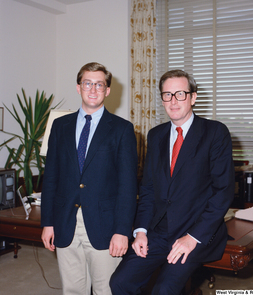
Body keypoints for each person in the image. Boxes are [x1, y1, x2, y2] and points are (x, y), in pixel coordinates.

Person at [110, 69, 235, 294]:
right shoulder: (156, 135)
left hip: (194, 231)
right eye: (167, 95)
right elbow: (148, 189)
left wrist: (193, 238)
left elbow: (223, 191)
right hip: (158, 232)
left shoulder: (215, 133)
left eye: (180, 94)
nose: (173, 101)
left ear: (193, 97)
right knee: (119, 282)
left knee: (164, 289)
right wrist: (140, 231)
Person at [41, 62, 138, 295]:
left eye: (99, 84)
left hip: (106, 225)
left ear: (107, 90)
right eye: (87, 83)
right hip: (66, 222)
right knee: (72, 289)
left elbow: (128, 185)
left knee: (107, 290)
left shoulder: (122, 129)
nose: (93, 89)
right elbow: (51, 177)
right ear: (78, 87)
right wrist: (47, 222)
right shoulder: (59, 126)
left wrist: (122, 231)